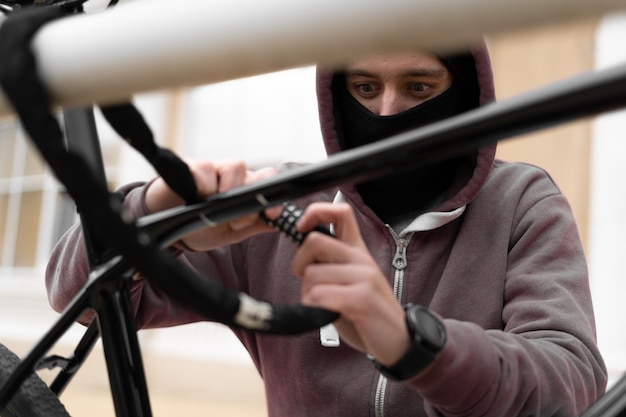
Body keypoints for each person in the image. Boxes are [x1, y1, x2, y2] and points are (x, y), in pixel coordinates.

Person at [45, 43, 607, 416]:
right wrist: (157, 214)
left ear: (465, 92)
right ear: (336, 100)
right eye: (364, 89)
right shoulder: (282, 206)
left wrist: (412, 342)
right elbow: (77, 296)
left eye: (419, 88)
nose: (387, 114)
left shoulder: (522, 203)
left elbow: (572, 383)